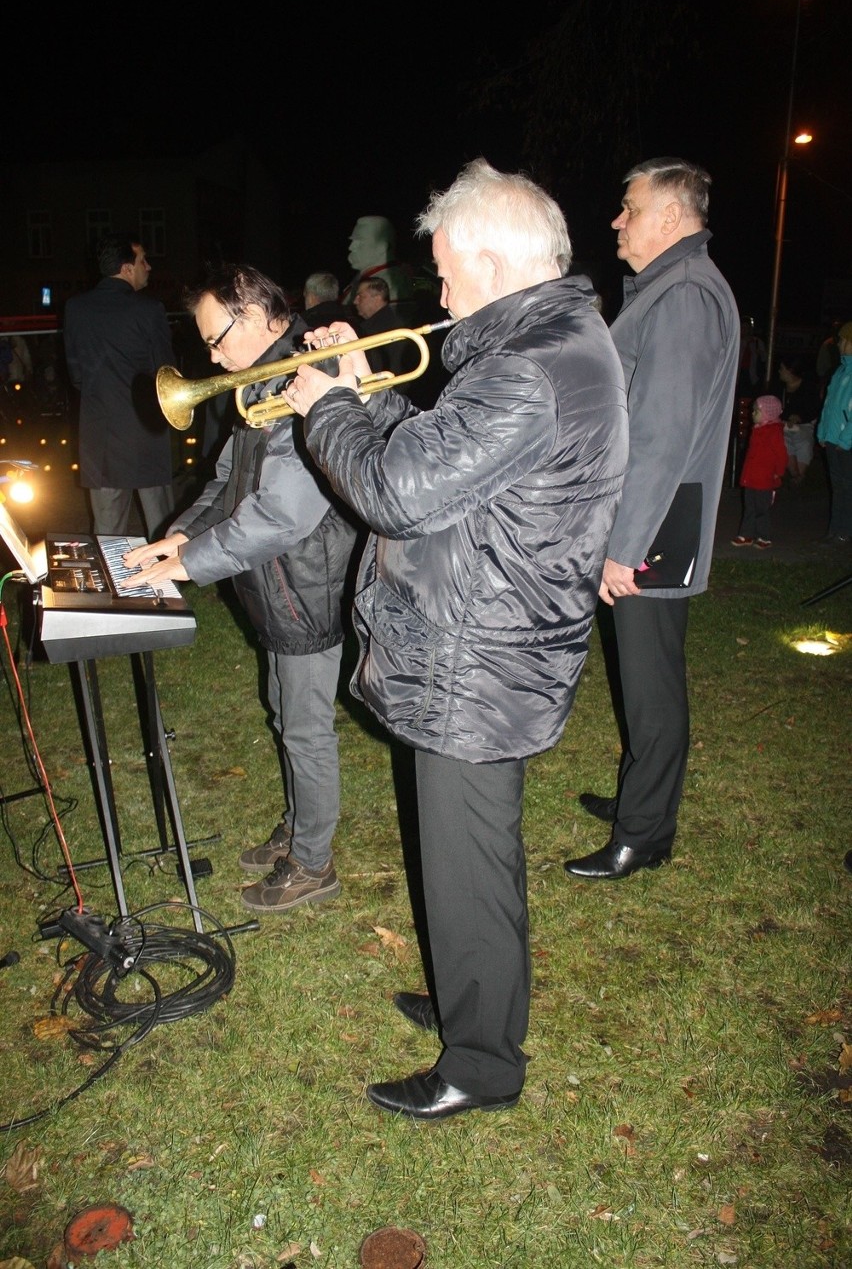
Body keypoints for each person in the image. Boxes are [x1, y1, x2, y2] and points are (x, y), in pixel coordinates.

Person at [285, 157, 628, 1120]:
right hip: (484, 643)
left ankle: (480, 1063)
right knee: (466, 851)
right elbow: (444, 460)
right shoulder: (551, 344)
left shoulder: (533, 366)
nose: (436, 292)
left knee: (469, 854)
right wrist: (367, 392)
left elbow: (395, 491)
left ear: (492, 260)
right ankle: (470, 994)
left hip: (480, 656)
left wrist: (328, 406)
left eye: (444, 271)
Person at [122, 264, 358, 913]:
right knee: (285, 715)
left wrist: (190, 562)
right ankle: (299, 826)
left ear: (256, 317)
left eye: (217, 338)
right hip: (274, 581)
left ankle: (314, 862)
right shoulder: (262, 379)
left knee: (306, 728)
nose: (212, 354)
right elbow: (229, 475)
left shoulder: (309, 375)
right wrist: (180, 534)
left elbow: (284, 513)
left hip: (306, 582)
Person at [564, 156, 740, 882]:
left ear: (669, 217)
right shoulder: (672, 289)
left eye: (629, 208)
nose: (617, 220)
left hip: (657, 526)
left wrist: (624, 548)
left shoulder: (686, 297)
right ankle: (645, 799)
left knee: (652, 683)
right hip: (651, 517)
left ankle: (646, 833)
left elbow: (663, 433)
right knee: (644, 676)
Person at [63, 233, 177, 538]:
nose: (148, 267)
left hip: (99, 433)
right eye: (142, 261)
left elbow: (76, 374)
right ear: (127, 269)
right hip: (145, 430)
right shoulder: (149, 309)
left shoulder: (75, 307)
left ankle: (108, 583)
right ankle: (164, 581)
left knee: (108, 529)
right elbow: (166, 374)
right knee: (161, 525)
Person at [731, 394, 788, 549]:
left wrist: (779, 472)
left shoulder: (774, 431)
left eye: (756, 411)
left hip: (764, 479)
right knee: (749, 507)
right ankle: (747, 534)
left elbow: (781, 453)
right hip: (751, 477)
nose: (752, 414)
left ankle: (763, 536)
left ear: (767, 413)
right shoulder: (757, 429)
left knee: (762, 509)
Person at [816, 320, 852, 543]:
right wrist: (822, 432)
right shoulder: (840, 371)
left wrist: (845, 441)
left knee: (846, 489)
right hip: (832, 440)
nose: (837, 344)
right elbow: (829, 405)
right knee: (838, 489)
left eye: (841, 340)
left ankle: (843, 533)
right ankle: (834, 532)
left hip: (845, 444)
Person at [342, 216, 413, 310]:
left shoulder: (391, 284)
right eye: (352, 241)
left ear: (382, 248)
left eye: (360, 242)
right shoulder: (365, 277)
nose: (351, 247)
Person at [352, 275, 413, 382]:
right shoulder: (391, 323)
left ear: (377, 298)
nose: (355, 302)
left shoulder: (382, 331)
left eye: (360, 296)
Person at [778, 355, 821, 487]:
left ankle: (799, 475)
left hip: (803, 425)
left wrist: (799, 417)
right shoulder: (778, 387)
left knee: (804, 441)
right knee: (784, 441)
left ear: (790, 371)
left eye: (782, 368)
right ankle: (796, 474)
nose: (779, 371)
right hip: (781, 425)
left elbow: (814, 409)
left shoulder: (808, 387)